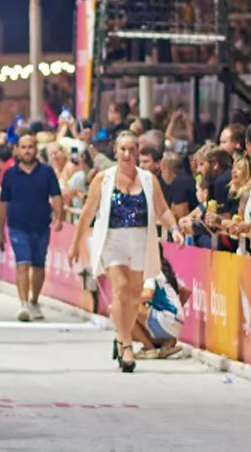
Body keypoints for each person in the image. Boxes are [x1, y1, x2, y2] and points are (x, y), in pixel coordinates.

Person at [69, 131, 180, 373]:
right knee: (120, 289)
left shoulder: (148, 179)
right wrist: (75, 244)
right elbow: (87, 213)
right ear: (115, 151)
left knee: (133, 296)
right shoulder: (103, 179)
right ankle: (127, 344)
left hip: (140, 240)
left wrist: (175, 229)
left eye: (132, 149)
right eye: (123, 149)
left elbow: (162, 210)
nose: (127, 154)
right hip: (113, 240)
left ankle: (121, 337)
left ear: (137, 151)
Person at [0, 134, 63, 321]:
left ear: (36, 149)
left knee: (38, 266)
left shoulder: (47, 172)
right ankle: (24, 304)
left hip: (41, 226)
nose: (27, 151)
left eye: (30, 147)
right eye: (24, 147)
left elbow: (56, 196)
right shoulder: (10, 174)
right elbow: (3, 202)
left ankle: (34, 301)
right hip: (17, 226)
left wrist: (59, 217)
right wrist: (0, 229)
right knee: (22, 263)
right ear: (17, 150)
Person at [133, 244, 189, 359]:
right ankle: (166, 343)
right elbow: (186, 290)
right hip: (177, 325)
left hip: (166, 321)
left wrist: (126, 299)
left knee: (127, 310)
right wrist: (176, 311)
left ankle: (149, 349)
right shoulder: (166, 272)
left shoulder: (151, 271)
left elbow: (148, 294)